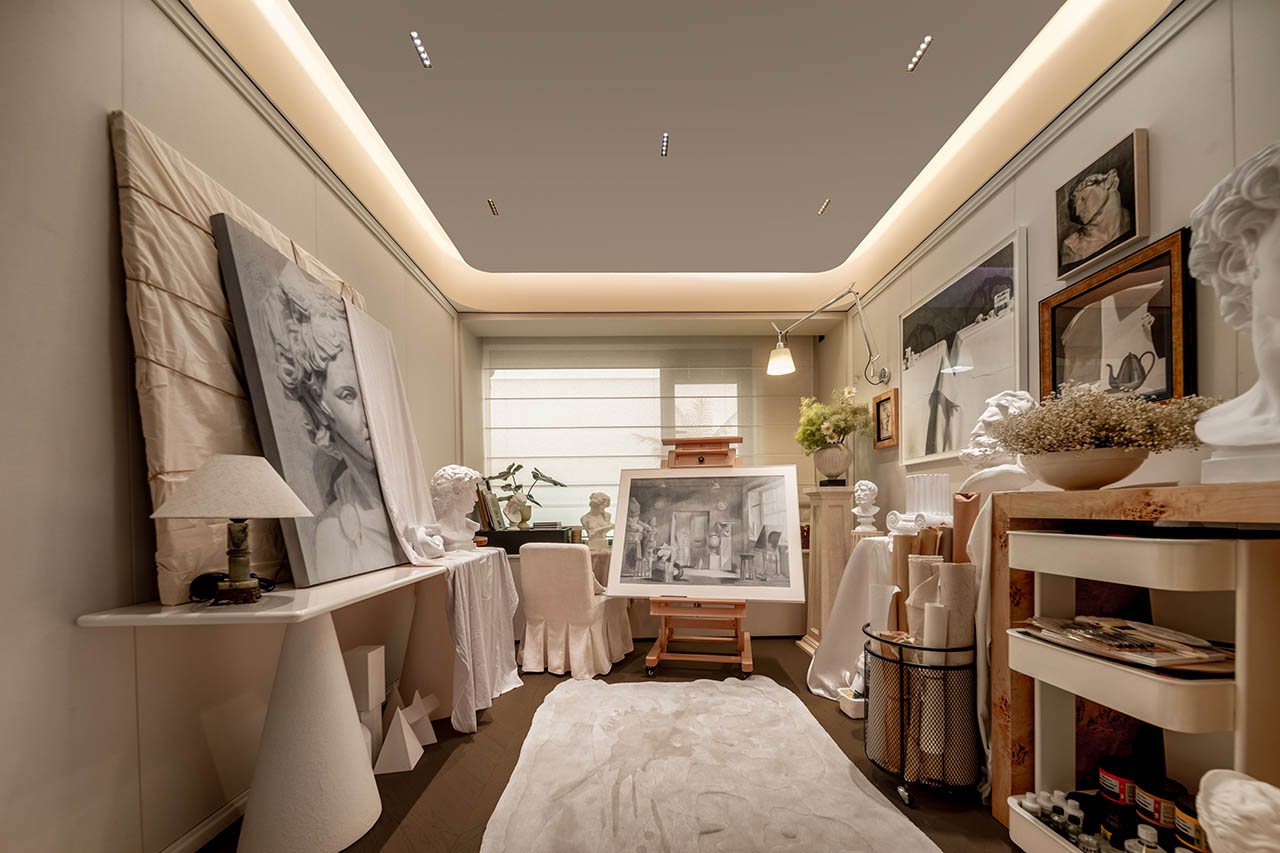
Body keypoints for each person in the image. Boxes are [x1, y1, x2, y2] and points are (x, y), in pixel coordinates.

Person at [265, 264, 397, 579]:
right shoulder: (335, 533)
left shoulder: (402, 514)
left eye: (368, 392)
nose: (369, 414)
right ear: (322, 413)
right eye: (348, 395)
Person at [1061, 168, 1132, 265]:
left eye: (1083, 199)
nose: (1077, 212)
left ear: (1110, 182)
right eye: (1074, 207)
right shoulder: (1072, 246)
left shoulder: (1133, 221)